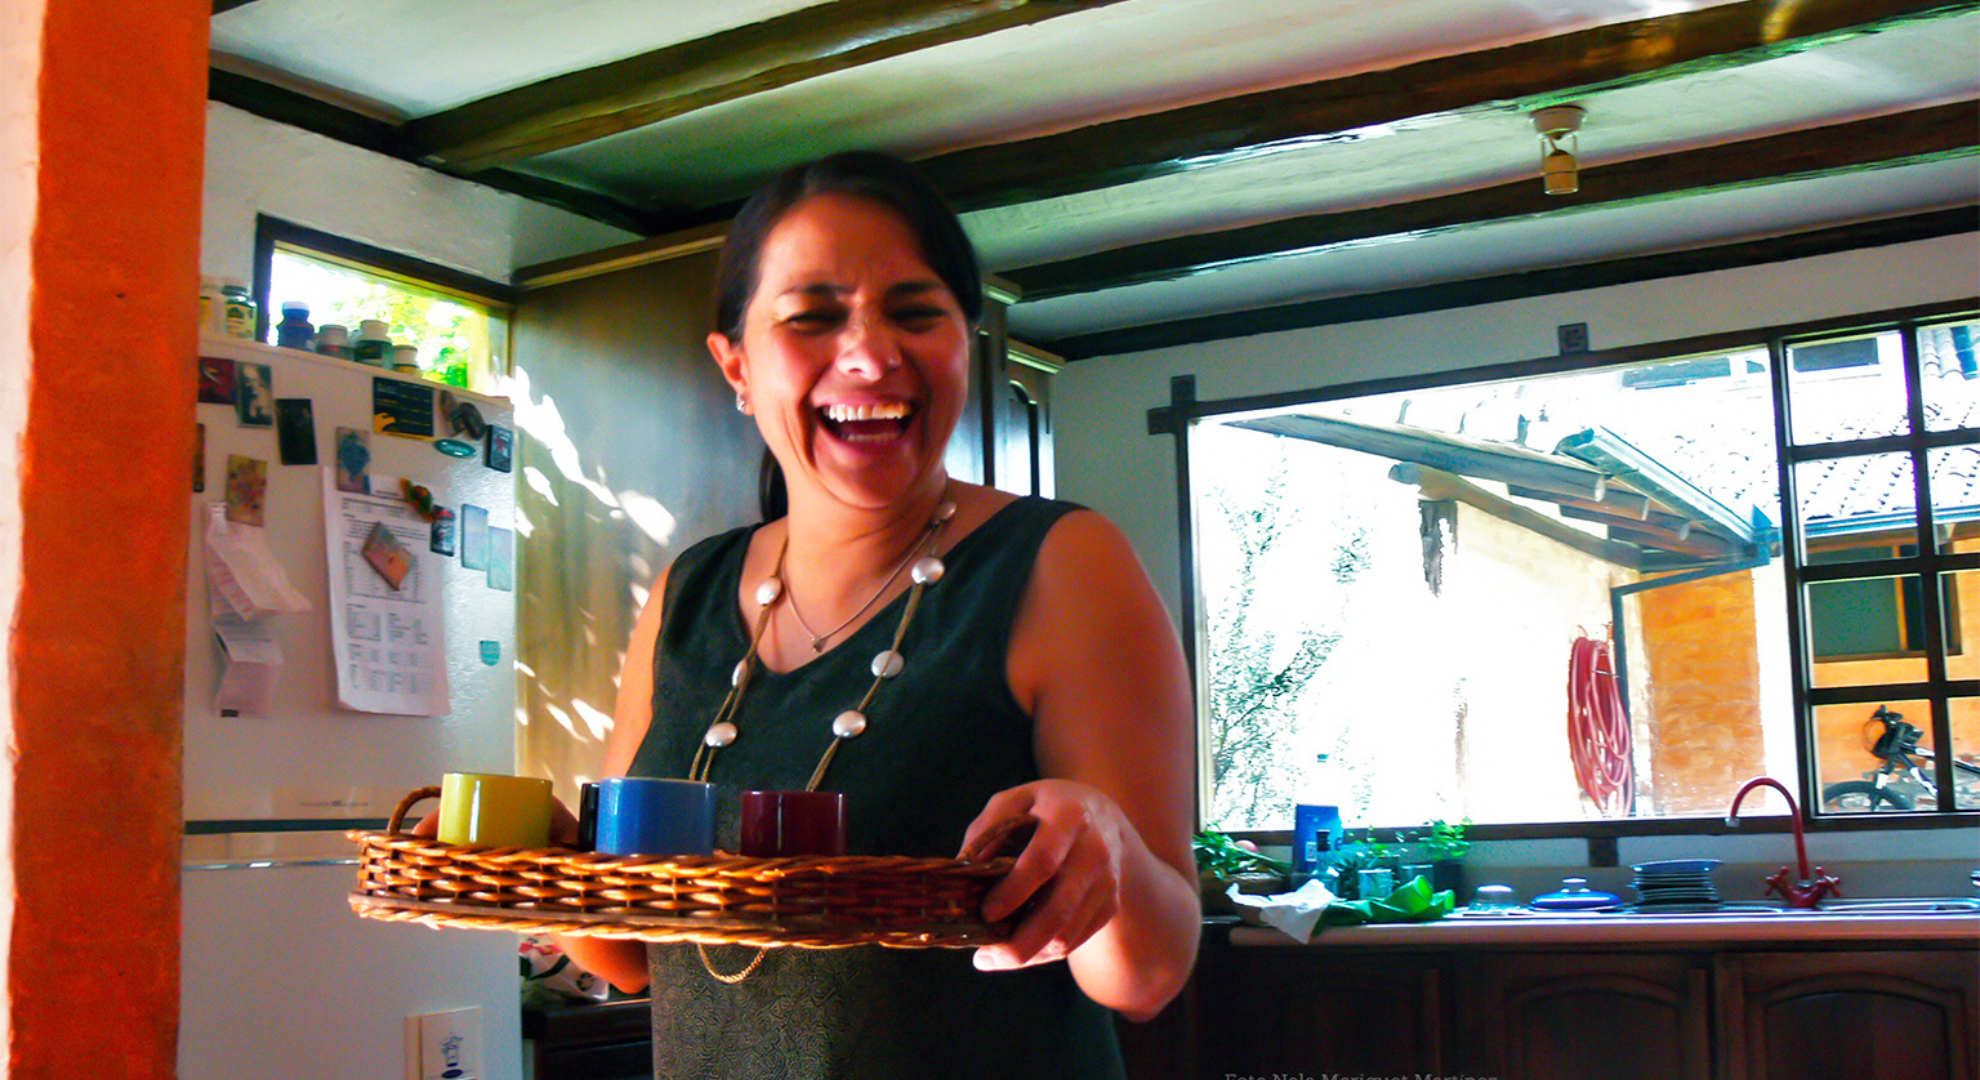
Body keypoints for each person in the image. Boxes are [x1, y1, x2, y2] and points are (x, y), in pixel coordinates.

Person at [558, 150, 1198, 1079]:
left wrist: (1105, 841)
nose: (869, 355)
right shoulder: (687, 593)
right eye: (812, 319)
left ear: (962, 343)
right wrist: (535, 856)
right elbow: (626, 954)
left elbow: (1150, 973)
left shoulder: (1061, 563)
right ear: (734, 366)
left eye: (916, 312)